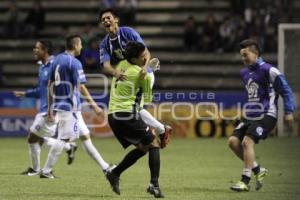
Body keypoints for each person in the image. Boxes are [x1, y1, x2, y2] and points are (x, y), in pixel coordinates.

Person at [99, 9, 172, 197]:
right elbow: (107, 66)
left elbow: (145, 52)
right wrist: (140, 75)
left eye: (109, 17)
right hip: (126, 107)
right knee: (153, 142)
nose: (106, 21)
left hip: (115, 112)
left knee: (143, 147)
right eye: (103, 19)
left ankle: (114, 173)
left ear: (116, 20)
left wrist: (145, 68)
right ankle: (154, 184)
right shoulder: (105, 44)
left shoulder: (128, 33)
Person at [228, 39, 295, 192]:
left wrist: (289, 111)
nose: (243, 58)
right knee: (232, 142)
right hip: (250, 115)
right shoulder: (244, 72)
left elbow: (286, 90)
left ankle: (245, 181)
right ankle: (258, 170)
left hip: (267, 114)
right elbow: (252, 95)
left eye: (246, 55)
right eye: (241, 56)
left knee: (246, 142)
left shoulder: (269, 70)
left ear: (255, 53)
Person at [41, 35, 110, 178]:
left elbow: (50, 85)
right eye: (80, 45)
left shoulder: (56, 60)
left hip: (64, 106)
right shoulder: (75, 63)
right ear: (76, 45)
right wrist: (95, 106)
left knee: (85, 136)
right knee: (63, 139)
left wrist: (49, 108)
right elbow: (82, 87)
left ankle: (105, 167)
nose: (82, 47)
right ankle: (46, 171)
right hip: (70, 108)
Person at [14, 40, 73, 176]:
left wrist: (53, 109)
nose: (34, 50)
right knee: (37, 138)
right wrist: (26, 94)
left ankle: (40, 169)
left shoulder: (55, 66)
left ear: (45, 50)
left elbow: (61, 88)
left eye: (37, 48)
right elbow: (41, 90)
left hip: (51, 109)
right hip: (45, 108)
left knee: (32, 137)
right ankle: (68, 147)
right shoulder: (42, 68)